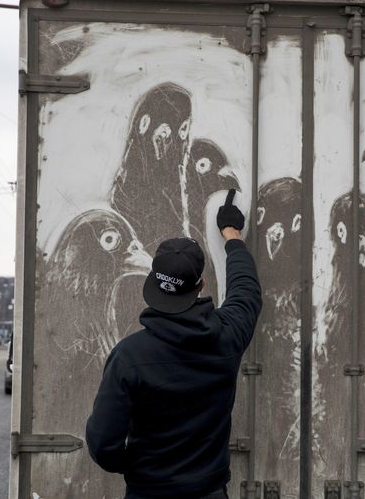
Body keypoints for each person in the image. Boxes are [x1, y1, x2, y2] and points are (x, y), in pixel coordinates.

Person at [86, 189, 261, 499]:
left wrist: (138, 467)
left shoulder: (129, 357)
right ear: (201, 285)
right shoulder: (227, 337)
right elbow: (246, 291)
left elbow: (102, 443)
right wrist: (232, 234)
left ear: (153, 283)